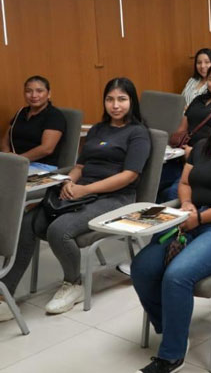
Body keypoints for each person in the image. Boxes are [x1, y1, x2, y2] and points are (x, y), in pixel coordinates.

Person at [0, 78, 151, 321]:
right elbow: (81, 165)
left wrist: (86, 189)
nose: (115, 105)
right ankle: (4, 294)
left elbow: (129, 176)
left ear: (132, 101)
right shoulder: (97, 129)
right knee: (28, 222)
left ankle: (73, 283)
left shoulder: (138, 133)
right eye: (110, 99)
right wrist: (69, 181)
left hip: (117, 197)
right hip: (81, 191)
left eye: (122, 99)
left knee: (59, 230)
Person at [132, 102, 211, 373]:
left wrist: (200, 218)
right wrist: (188, 204)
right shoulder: (202, 147)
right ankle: (173, 331)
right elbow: (185, 183)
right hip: (192, 218)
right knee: (143, 267)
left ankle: (171, 355)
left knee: (178, 275)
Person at [158, 62, 211, 202]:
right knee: (154, 181)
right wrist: (176, 146)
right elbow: (183, 127)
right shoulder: (199, 99)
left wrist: (195, 152)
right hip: (181, 156)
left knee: (171, 194)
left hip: (205, 159)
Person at [1, 75, 66, 171]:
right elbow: (5, 140)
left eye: (39, 91)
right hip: (15, 163)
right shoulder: (21, 112)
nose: (34, 95)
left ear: (49, 94)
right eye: (28, 91)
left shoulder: (54, 115)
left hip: (41, 165)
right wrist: (7, 157)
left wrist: (18, 160)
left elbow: (46, 149)